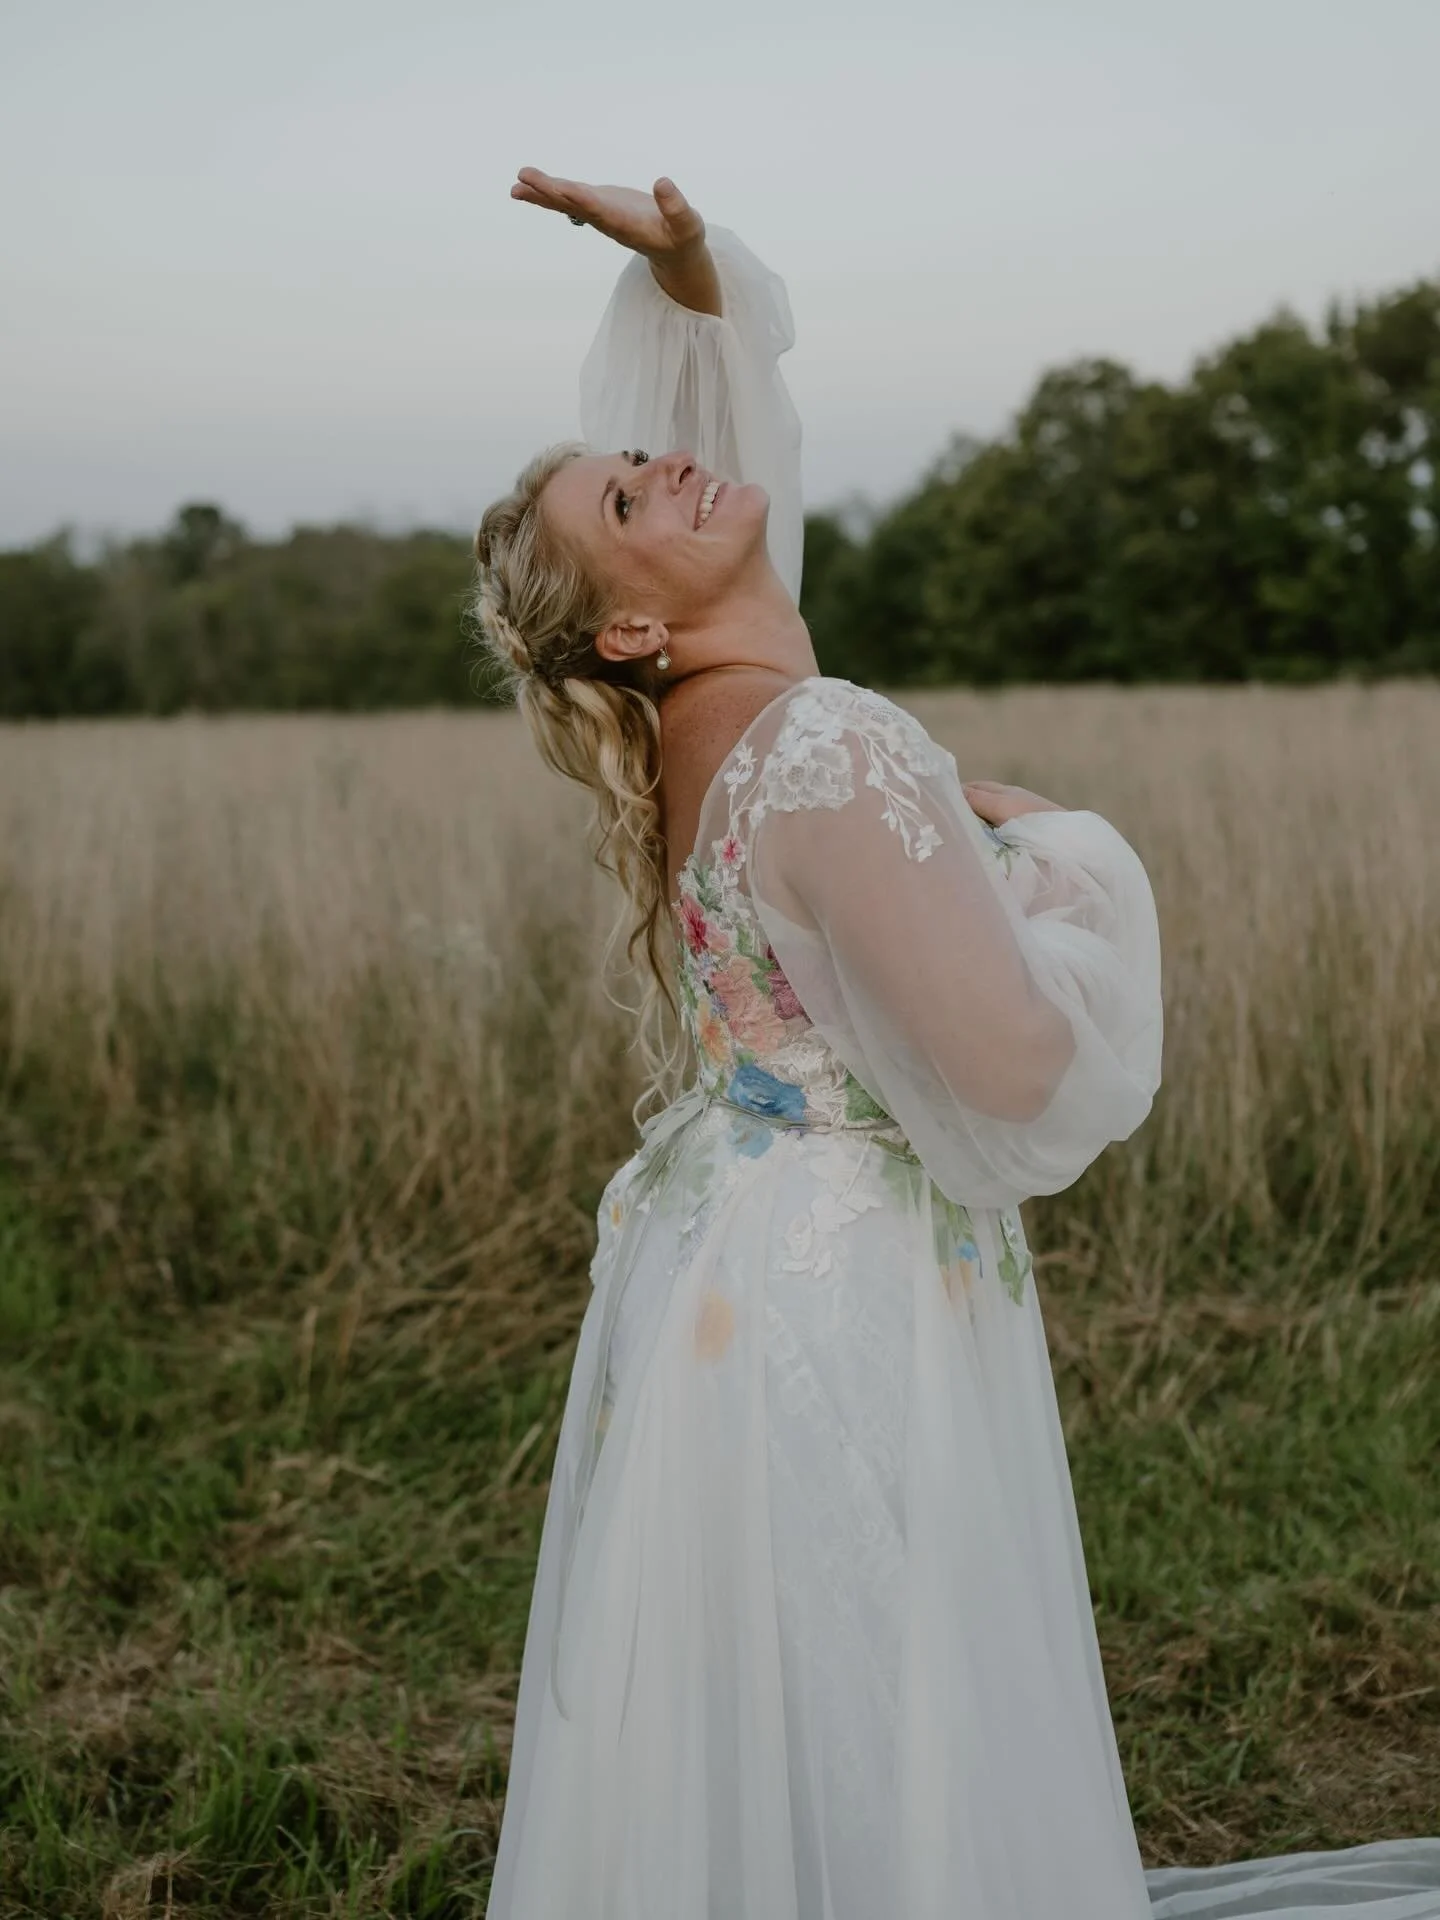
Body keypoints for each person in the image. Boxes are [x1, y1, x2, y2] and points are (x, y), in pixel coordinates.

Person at [472, 169, 1440, 1920]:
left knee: (806, 1730)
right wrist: (1072, 856)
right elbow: (1012, 1077)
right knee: (883, 1712)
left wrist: (682, 259)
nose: (673, 460)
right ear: (627, 622)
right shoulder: (820, 740)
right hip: (842, 1323)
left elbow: (718, 419)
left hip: (744, 1273)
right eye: (628, 490)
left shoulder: (716, 724)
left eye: (651, 445)